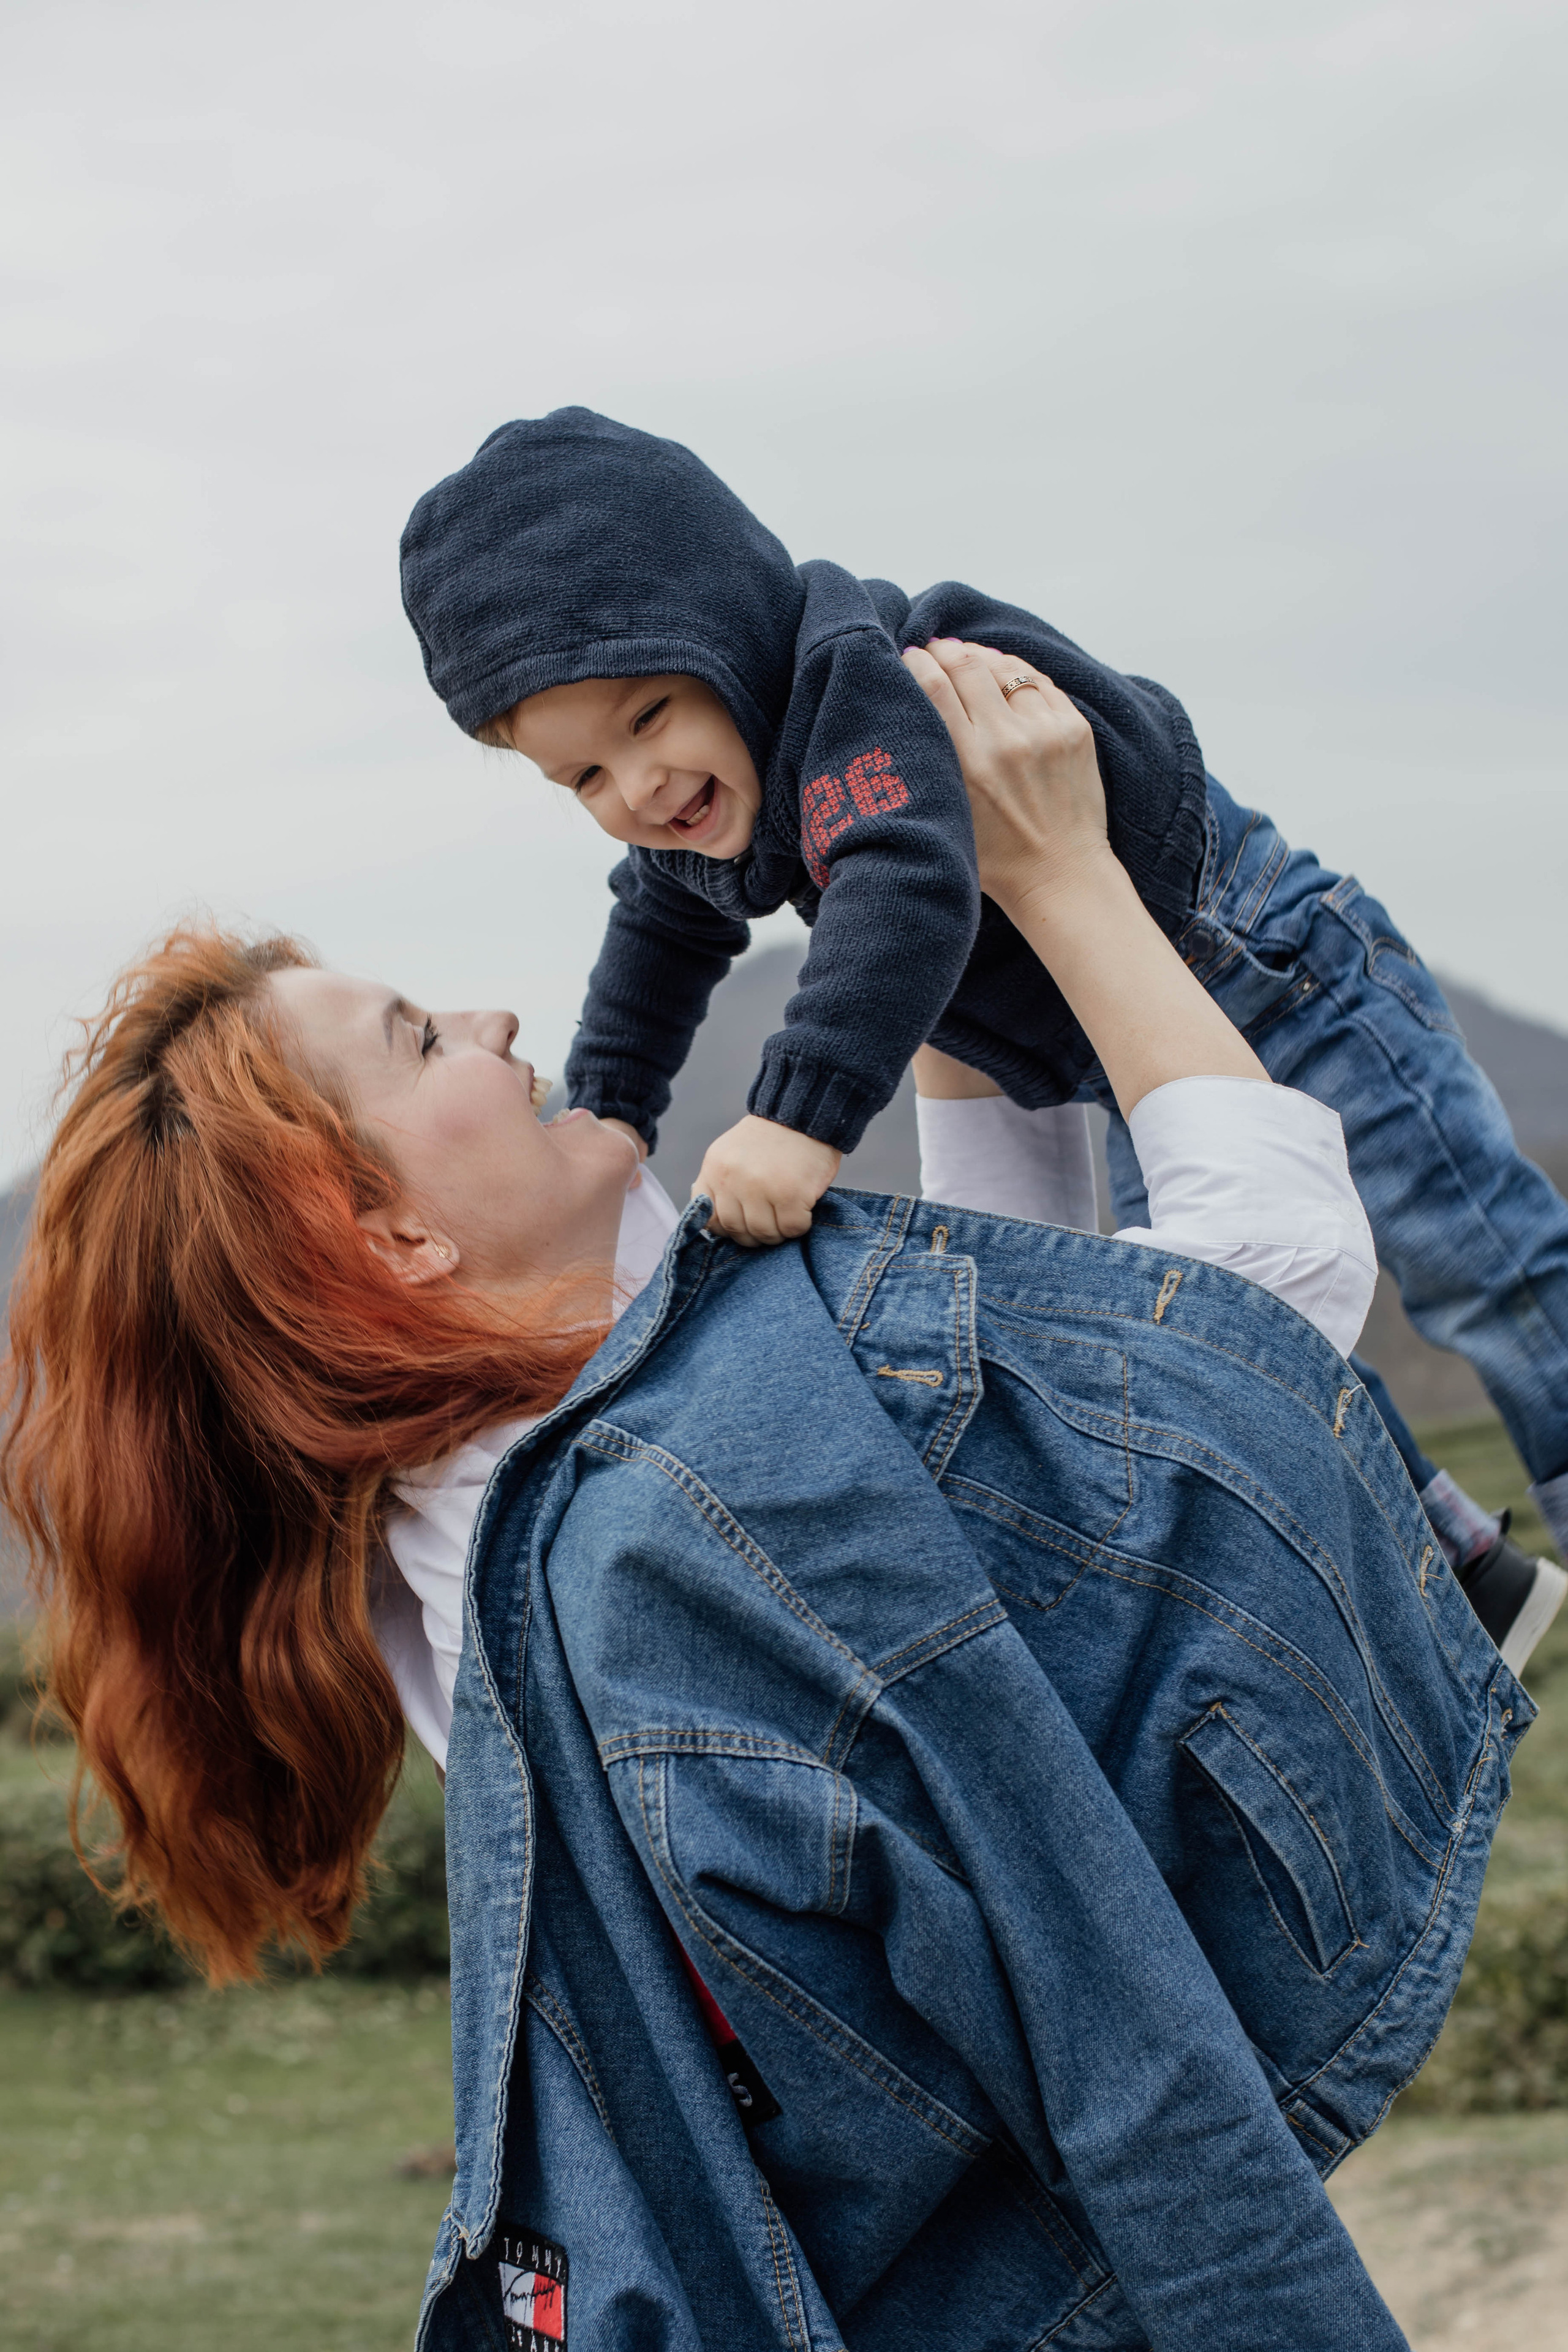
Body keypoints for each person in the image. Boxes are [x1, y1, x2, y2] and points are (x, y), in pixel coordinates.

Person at [1, 648, 1518, 2348]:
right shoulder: (691, 1513)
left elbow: (980, 1495)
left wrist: (937, 951)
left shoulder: (476, 1563)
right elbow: (1247, 1347)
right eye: (422, 1036)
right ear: (398, 1241)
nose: (499, 1020)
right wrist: (1061, 874)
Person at [400, 409, 1568, 1666]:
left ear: (732, 632)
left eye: (648, 717)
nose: (635, 791)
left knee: (1476, 1258)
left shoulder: (857, 692)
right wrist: (612, 1104)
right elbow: (657, 930)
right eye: (581, 779)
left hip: (1259, 962)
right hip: (1116, 1046)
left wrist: (798, 1121)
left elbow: (905, 884)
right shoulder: (710, 802)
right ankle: (1460, 1566)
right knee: (1223, 1318)